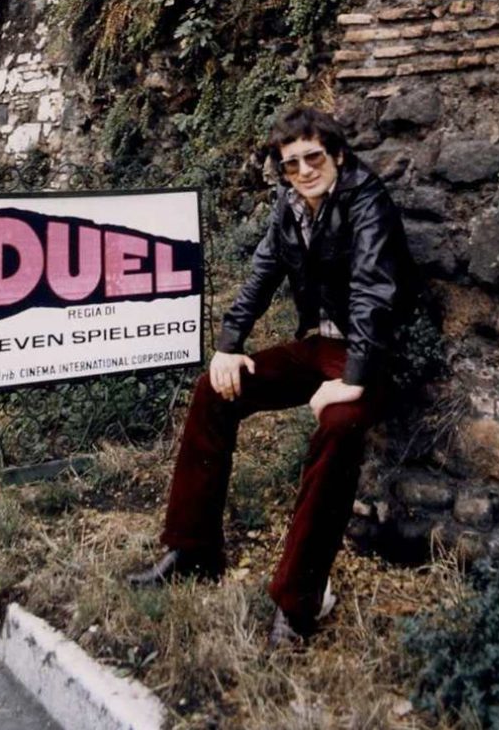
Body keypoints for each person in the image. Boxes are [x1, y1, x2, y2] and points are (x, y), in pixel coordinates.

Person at [127, 106, 414, 646]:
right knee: (215, 390)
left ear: (338, 155)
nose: (303, 171)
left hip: (369, 355)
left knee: (339, 426)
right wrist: (228, 346)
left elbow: (375, 290)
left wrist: (354, 377)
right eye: (291, 164)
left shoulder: (367, 202)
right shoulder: (289, 204)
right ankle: (193, 549)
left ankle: (299, 598)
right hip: (316, 347)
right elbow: (262, 271)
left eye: (313, 158)